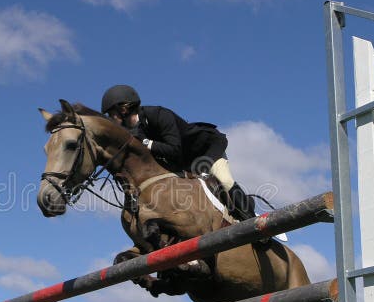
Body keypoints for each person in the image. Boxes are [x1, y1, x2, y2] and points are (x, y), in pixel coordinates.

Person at [101, 84, 257, 221]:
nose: (110, 118)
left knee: (225, 180)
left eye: (111, 113)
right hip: (183, 162)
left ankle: (253, 223)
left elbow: (174, 149)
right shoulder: (130, 132)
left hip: (205, 150)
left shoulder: (157, 115)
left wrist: (146, 142)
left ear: (123, 108)